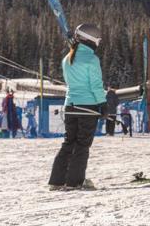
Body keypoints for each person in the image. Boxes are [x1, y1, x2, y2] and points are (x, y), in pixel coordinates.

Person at [48, 23, 106, 191]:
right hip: (88, 106)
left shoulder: (67, 58)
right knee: (82, 145)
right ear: (92, 39)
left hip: (70, 107)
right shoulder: (92, 59)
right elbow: (95, 85)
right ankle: (75, 181)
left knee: (69, 143)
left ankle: (57, 180)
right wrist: (102, 103)